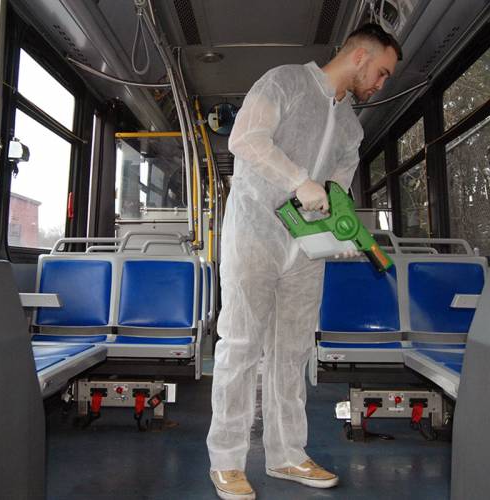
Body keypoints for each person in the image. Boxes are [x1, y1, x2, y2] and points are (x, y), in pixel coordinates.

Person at [207, 23, 401, 500]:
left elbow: (334, 192)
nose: (380, 83)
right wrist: (298, 179)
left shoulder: (351, 127)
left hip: (305, 249)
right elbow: (247, 140)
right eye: (381, 72)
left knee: (292, 354)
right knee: (240, 345)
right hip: (254, 234)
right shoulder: (284, 82)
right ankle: (227, 462)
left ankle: (287, 454)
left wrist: (340, 231)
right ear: (359, 56)